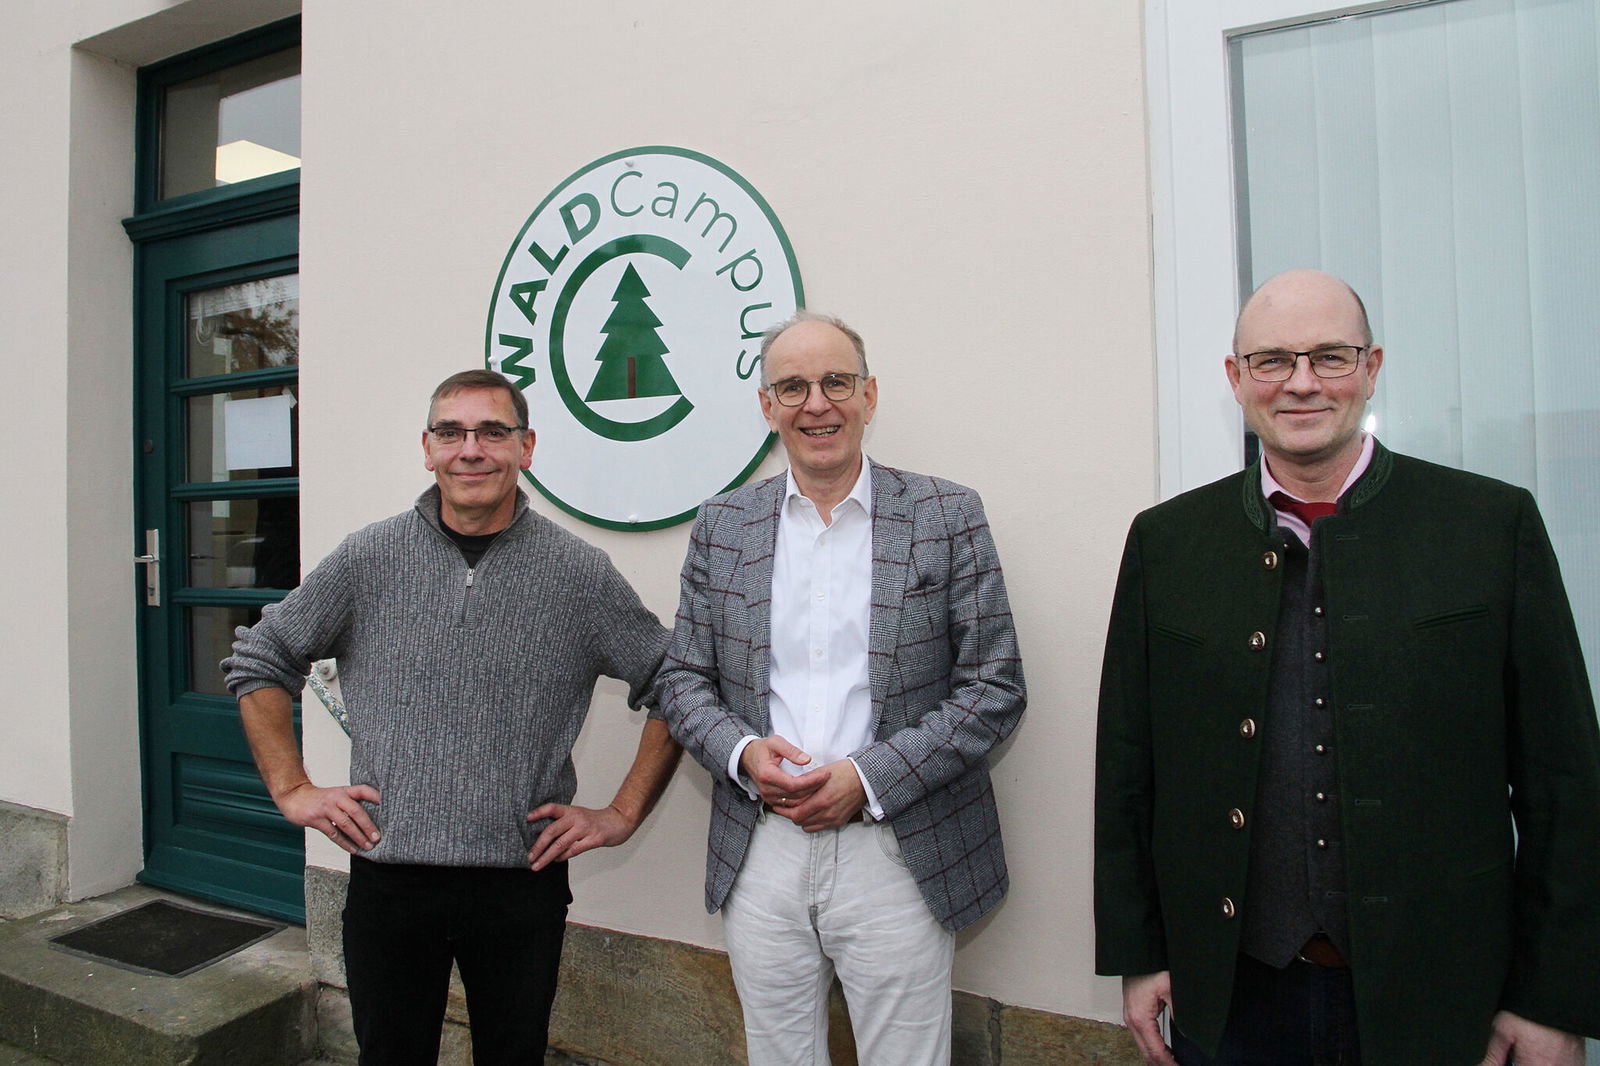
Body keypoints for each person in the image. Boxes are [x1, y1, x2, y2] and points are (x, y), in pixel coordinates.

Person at [1094, 269, 1600, 1066]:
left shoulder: (1489, 527)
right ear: (1237, 378)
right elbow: (1129, 769)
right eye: (1272, 361)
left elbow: (1565, 785)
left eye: (1331, 357)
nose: (1301, 383)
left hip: (1442, 997)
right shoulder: (1168, 544)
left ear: (1372, 368)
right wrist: (1142, 952)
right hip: (1230, 997)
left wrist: (1548, 997)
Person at [221, 368, 681, 1066]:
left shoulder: (576, 573)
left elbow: (674, 681)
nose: (472, 449)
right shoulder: (367, 558)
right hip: (390, 880)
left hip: (519, 885)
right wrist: (293, 788)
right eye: (453, 432)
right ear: (428, 448)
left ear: (526, 447)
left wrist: (621, 813)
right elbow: (260, 658)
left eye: (493, 432)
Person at [657, 311, 1026, 1066]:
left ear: (869, 395)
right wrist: (741, 752)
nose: (815, 404)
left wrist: (867, 777)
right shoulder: (723, 525)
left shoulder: (946, 516)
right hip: (762, 849)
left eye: (835, 382)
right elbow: (683, 678)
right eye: (792, 386)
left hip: (898, 847)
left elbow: (995, 685)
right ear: (767, 405)